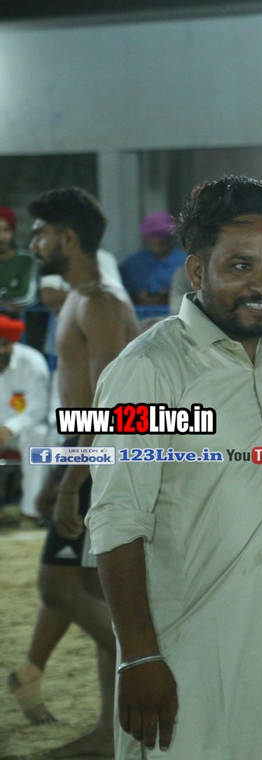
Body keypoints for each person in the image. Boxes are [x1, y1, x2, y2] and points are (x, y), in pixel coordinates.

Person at [87, 176, 262, 758]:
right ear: (197, 271)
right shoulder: (147, 371)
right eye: (240, 266)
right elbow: (116, 520)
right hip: (185, 660)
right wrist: (139, 656)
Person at [19, 187, 139, 757]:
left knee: (58, 587)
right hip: (85, 454)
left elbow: (111, 409)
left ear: (67, 238)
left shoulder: (101, 303)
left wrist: (71, 483)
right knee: (89, 588)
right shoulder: (75, 300)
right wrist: (56, 475)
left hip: (105, 461)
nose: (33, 244)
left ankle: (143, 658)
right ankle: (109, 733)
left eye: (40, 233)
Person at [0, 316, 52, 520]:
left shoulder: (31, 362)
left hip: (22, 431)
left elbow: (38, 408)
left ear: (11, 344)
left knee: (39, 437)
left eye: (4, 344)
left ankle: (31, 511)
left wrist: (8, 429)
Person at [119, 212, 187, 307]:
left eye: (162, 243)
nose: (157, 247)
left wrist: (170, 296)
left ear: (169, 239)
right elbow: (122, 292)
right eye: (151, 243)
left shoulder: (184, 262)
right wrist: (137, 298)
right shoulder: (133, 263)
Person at [0, 206, 38, 314]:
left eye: (6, 230)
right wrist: (4, 302)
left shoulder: (26, 260)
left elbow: (27, 296)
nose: (1, 237)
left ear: (12, 231)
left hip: (16, 321)